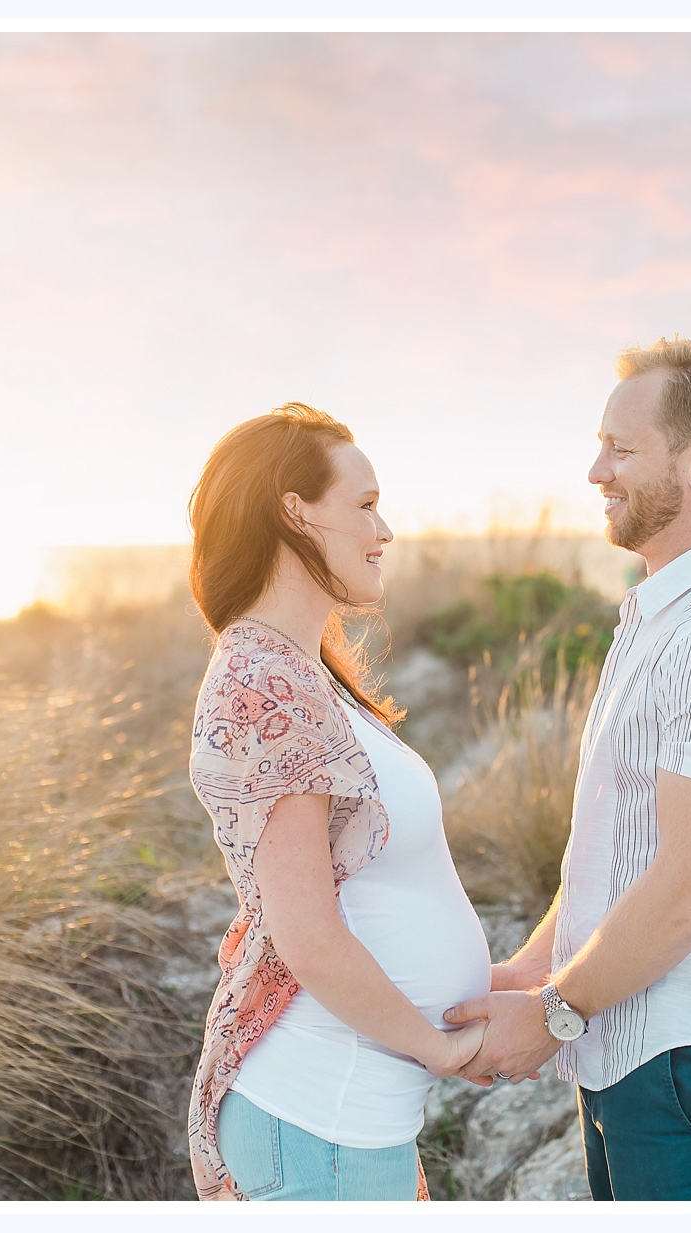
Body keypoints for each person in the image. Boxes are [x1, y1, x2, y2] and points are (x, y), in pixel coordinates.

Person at [446, 336, 691, 1201]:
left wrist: (550, 1015)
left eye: (620, 449)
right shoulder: (666, 620)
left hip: (690, 1064)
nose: (596, 471)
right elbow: (620, 851)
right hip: (629, 1048)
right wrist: (530, 973)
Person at [183, 403, 493, 1201]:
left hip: (343, 1127)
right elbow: (308, 933)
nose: (384, 529)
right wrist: (436, 1047)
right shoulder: (264, 680)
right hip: (320, 1127)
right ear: (295, 512)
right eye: (364, 504)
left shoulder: (304, 673)